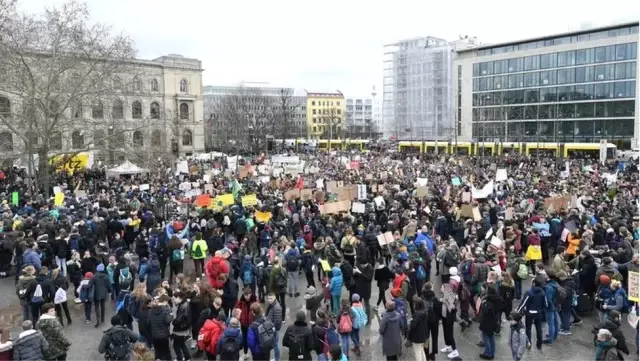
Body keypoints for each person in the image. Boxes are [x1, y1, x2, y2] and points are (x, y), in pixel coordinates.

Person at [517, 279, 547, 350]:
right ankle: (539, 345)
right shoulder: (542, 292)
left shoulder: (529, 292)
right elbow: (545, 304)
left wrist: (518, 311)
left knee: (528, 328)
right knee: (539, 328)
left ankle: (529, 343)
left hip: (529, 313)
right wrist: (542, 310)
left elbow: (524, 303)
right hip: (538, 313)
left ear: (534, 283)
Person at [146, 295, 173, 361]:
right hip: (164, 335)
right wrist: (171, 315)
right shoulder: (165, 310)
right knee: (166, 351)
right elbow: (167, 321)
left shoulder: (150, 311)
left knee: (157, 351)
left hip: (155, 336)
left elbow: (148, 323)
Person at [478, 285, 501, 360]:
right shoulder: (497, 299)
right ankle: (492, 353)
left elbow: (485, 311)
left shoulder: (487, 301)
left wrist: (483, 302)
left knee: (486, 337)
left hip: (487, 322)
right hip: (494, 321)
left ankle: (488, 353)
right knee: (491, 336)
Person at [236, 287, 257, 358]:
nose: (246, 297)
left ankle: (254, 354)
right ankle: (245, 353)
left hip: (252, 325)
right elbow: (237, 310)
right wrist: (240, 319)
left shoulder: (255, 301)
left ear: (251, 294)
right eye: (245, 295)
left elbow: (258, 311)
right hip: (244, 324)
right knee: (245, 339)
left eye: (248, 295)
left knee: (253, 340)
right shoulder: (241, 301)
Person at [171, 291, 192, 361]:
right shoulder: (185, 304)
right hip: (184, 328)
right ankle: (187, 357)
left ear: (178, 298)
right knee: (181, 344)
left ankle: (180, 358)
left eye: (174, 299)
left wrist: (173, 321)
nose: (173, 301)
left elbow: (178, 320)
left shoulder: (182, 306)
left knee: (176, 345)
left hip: (180, 329)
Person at [93, 263, 113, 328]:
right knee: (102, 306)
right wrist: (110, 291)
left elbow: (91, 285)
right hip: (104, 293)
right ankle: (102, 319)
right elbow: (109, 285)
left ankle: (98, 320)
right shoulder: (106, 276)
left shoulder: (94, 276)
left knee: (96, 307)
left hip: (96, 293)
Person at [265, 293, 283, 361]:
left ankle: (277, 358)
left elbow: (278, 321)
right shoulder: (271, 305)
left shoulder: (276, 307)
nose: (269, 300)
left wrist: (274, 328)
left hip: (274, 329)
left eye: (271, 298)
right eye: (268, 298)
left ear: (275, 298)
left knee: (275, 344)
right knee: (274, 344)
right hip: (270, 327)